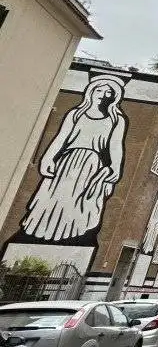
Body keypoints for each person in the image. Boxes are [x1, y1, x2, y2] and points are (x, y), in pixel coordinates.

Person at [19, 76, 128, 242]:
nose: (103, 95)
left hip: (92, 166)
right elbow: (61, 138)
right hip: (67, 163)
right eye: (99, 90)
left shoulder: (116, 120)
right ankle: (46, 233)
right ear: (91, 92)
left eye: (109, 92)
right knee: (54, 198)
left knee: (81, 203)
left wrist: (115, 167)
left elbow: (116, 145)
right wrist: (48, 158)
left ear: (114, 97)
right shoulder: (75, 114)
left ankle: (73, 234)